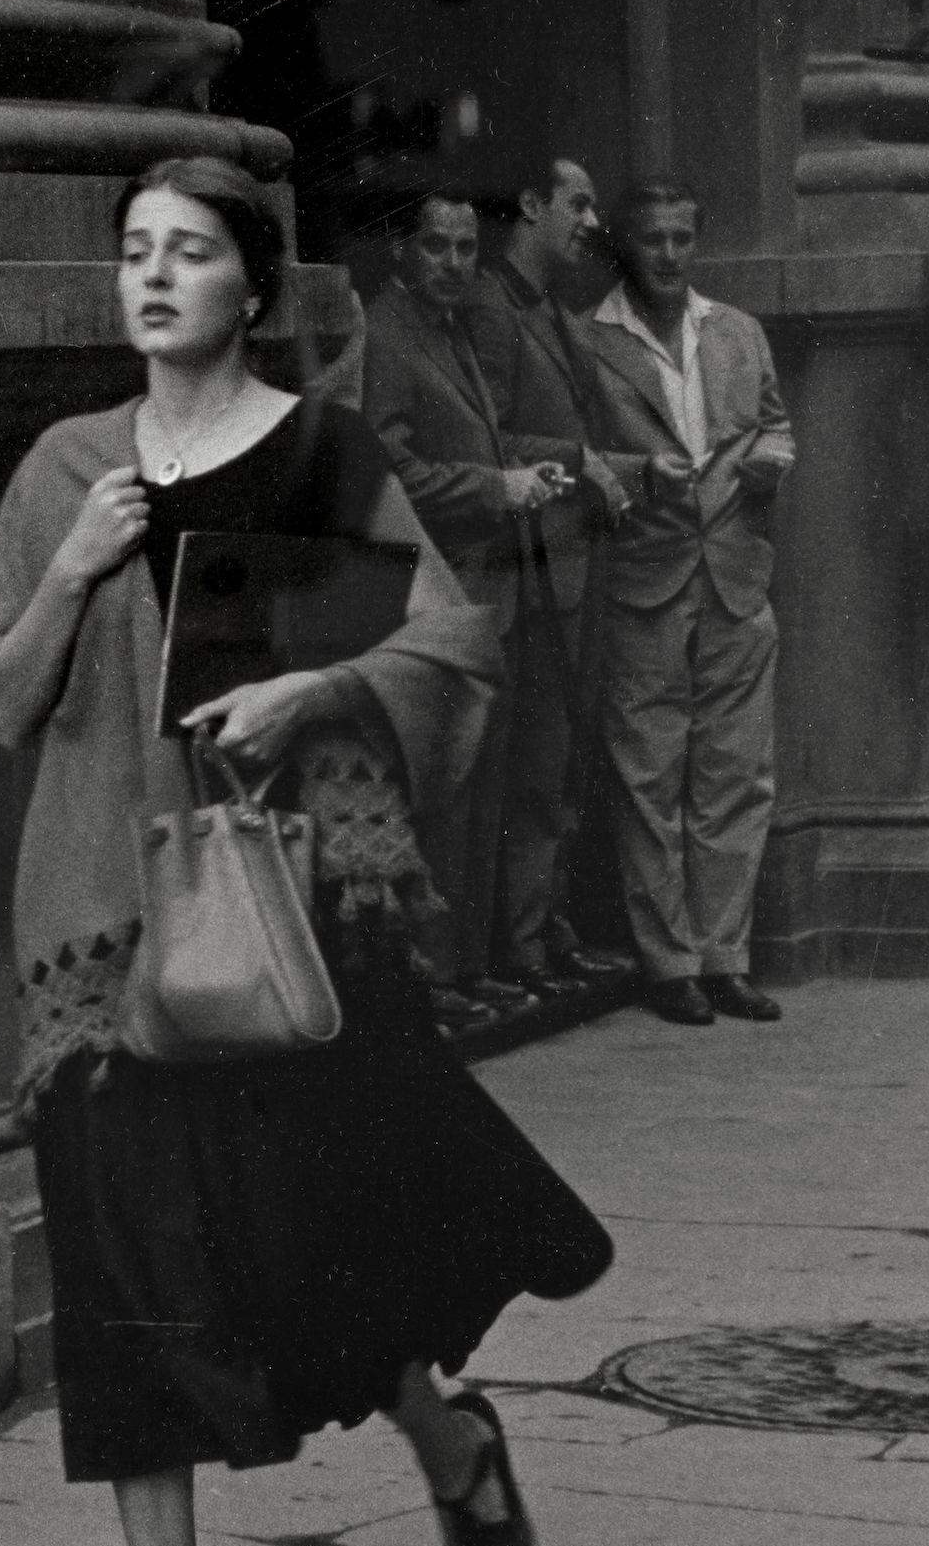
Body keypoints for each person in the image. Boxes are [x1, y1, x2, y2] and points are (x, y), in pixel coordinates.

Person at [0, 155, 604, 1546]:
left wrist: (312, 699)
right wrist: (71, 567)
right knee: (128, 1281)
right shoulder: (66, 466)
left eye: (190, 253)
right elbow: (2, 702)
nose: (154, 277)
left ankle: (448, 1441)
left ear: (257, 287)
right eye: (134, 253)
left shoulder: (323, 454)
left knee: (323, 1232)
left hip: (303, 904)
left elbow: (454, 637)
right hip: (110, 920)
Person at [322, 191, 599, 1013]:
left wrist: (522, 476)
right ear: (403, 252)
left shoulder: (448, 331)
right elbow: (389, 470)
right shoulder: (387, 334)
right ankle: (432, 979)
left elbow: (471, 441)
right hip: (434, 595)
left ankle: (469, 969)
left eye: (466, 250)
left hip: (488, 591)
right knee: (442, 794)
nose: (452, 264)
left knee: (485, 789)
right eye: (435, 247)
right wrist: (494, 487)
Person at [574, 179, 793, 1026]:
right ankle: (669, 965)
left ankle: (724, 956)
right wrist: (633, 475)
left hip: (737, 575)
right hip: (643, 578)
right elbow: (576, 453)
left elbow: (774, 424)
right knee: (648, 778)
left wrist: (773, 458)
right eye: (651, 240)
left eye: (681, 239)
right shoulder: (589, 341)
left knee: (736, 776)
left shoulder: (736, 330)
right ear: (623, 246)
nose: (667, 255)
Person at [484, 158, 627, 988]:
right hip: (525, 569)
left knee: (561, 757)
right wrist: (581, 459)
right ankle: (522, 944)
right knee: (532, 761)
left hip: (573, 564)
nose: (590, 220)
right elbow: (487, 436)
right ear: (530, 203)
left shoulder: (554, 312)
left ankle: (548, 927)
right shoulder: (491, 308)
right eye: (578, 202)